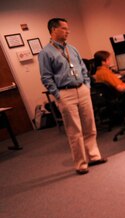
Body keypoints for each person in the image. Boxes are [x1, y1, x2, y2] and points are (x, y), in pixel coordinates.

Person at [38, 17, 105, 175]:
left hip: (81, 89)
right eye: (64, 28)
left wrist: (87, 86)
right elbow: (46, 77)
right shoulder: (45, 53)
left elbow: (83, 68)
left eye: (68, 28)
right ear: (53, 30)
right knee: (75, 131)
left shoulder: (72, 49)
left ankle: (94, 157)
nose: (68, 31)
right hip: (65, 93)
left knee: (90, 126)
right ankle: (81, 164)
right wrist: (57, 95)